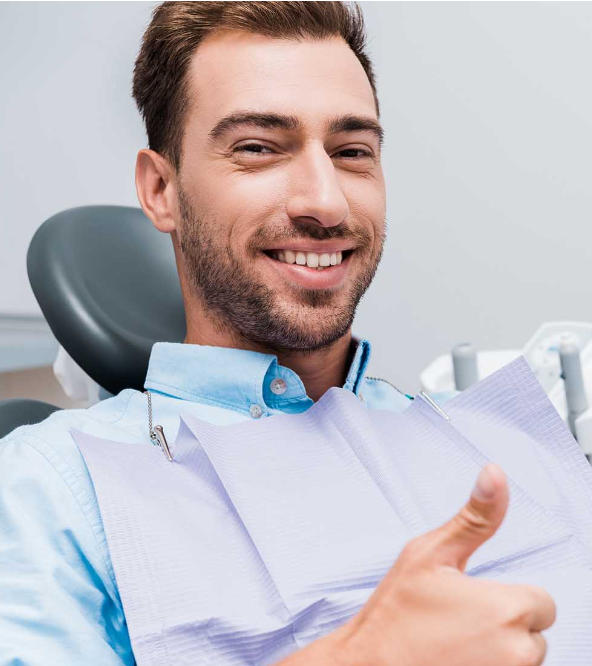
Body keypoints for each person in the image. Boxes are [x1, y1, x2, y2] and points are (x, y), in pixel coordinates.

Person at [0, 2, 555, 665]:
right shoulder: (49, 488)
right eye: (259, 148)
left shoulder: (490, 443)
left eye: (352, 152)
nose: (324, 202)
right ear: (160, 190)